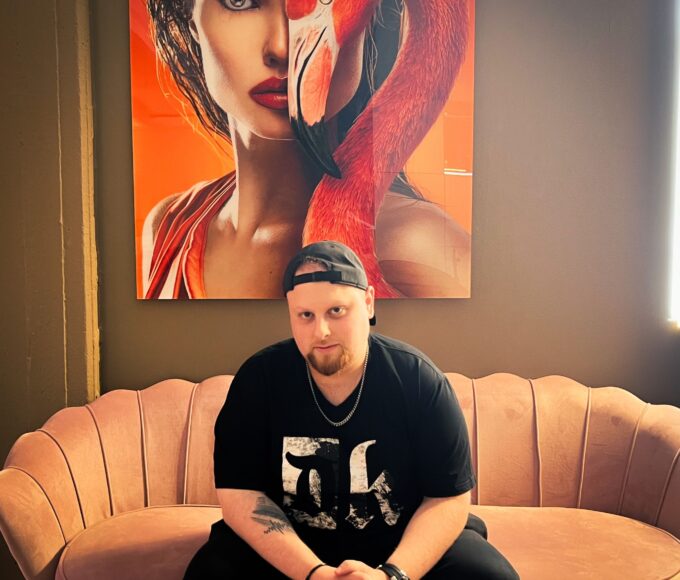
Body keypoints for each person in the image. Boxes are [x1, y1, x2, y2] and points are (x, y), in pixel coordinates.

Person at [184, 241, 519, 579]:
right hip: (291, 545)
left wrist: (392, 575)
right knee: (209, 572)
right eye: (305, 315)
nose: (321, 331)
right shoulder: (258, 380)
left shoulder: (418, 379)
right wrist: (313, 573)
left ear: (368, 302)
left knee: (491, 576)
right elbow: (240, 494)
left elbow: (448, 497)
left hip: (400, 542)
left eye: (336, 311)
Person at [141, 0, 471, 299]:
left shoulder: (418, 245)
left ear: (370, 21)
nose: (282, 48)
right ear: (191, 20)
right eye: (240, 2)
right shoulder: (167, 226)